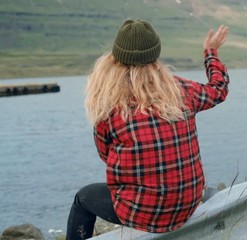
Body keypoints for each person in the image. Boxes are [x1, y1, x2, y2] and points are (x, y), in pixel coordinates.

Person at [66, 19, 229, 239]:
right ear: (155, 54)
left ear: (117, 57)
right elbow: (218, 89)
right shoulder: (183, 90)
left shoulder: (109, 104)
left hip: (141, 214)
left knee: (82, 199)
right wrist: (211, 52)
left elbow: (106, 156)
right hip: (187, 206)